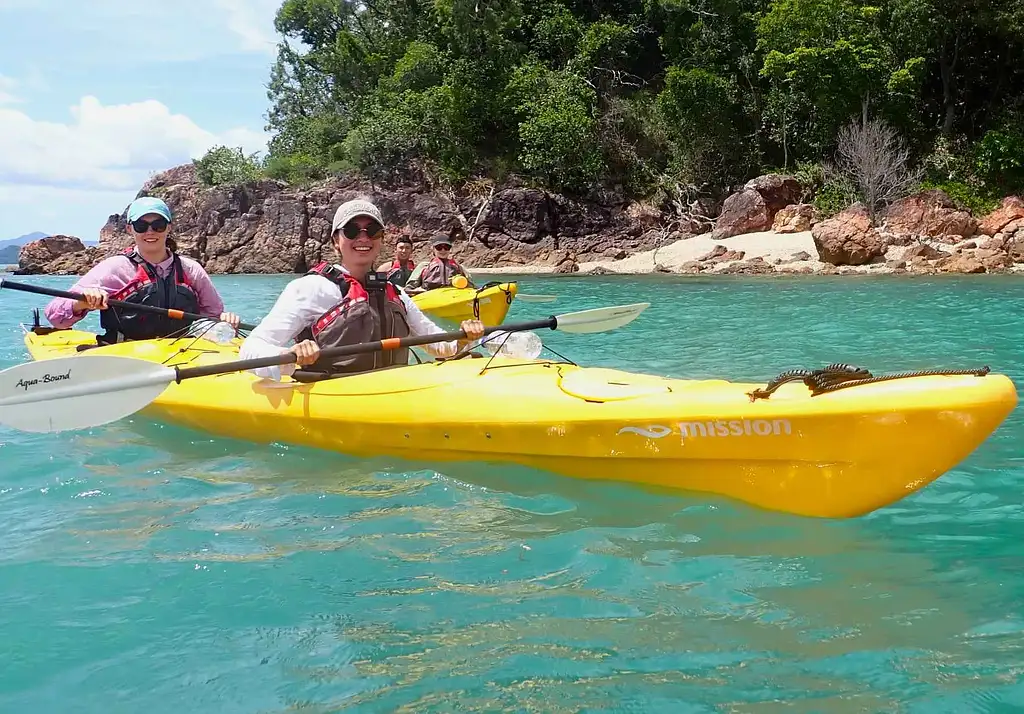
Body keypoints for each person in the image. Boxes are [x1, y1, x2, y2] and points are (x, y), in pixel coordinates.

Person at [239, 198, 486, 381]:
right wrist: (289, 355)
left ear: (381, 239)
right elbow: (251, 350)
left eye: (373, 231)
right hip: (335, 397)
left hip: (393, 391)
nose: (363, 238)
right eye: (352, 231)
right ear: (336, 240)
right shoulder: (310, 289)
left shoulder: (395, 292)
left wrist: (464, 336)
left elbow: (440, 346)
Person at [43, 196, 240, 343]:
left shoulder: (191, 270)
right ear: (130, 229)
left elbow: (212, 315)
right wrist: (82, 303)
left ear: (169, 227)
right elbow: (56, 318)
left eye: (158, 225)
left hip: (180, 353)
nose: (150, 232)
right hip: (125, 356)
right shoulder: (114, 269)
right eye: (141, 226)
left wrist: (224, 321)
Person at [404, 234, 472, 294]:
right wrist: (416, 291)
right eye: (439, 247)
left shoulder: (458, 267)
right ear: (433, 249)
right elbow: (409, 288)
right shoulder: (424, 266)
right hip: (429, 298)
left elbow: (471, 286)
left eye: (446, 247)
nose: (443, 250)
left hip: (453, 297)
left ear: (450, 249)